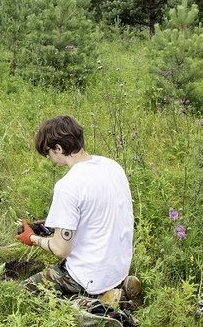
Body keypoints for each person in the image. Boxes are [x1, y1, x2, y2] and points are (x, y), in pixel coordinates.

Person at [16, 115, 141, 306]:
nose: (49, 158)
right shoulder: (112, 166)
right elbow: (93, 214)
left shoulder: (68, 185)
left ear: (58, 148)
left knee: (25, 293)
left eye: (48, 152)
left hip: (89, 274)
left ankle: (92, 303)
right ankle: (117, 288)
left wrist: (32, 239)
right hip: (118, 267)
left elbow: (61, 249)